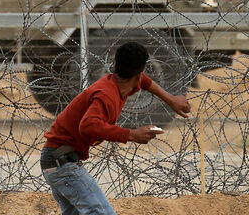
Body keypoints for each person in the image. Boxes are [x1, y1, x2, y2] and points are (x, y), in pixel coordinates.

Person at [41, 41, 191, 215]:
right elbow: (88, 125)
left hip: (58, 160)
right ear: (139, 73)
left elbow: (145, 82)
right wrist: (131, 134)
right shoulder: (107, 95)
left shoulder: (118, 84)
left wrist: (171, 99)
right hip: (62, 164)